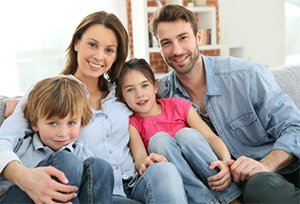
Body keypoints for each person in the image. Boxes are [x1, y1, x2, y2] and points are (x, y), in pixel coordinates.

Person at [0, 11, 187, 204]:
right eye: (92, 45)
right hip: (95, 189)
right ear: (76, 43)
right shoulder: (49, 93)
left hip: (135, 182)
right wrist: (24, 177)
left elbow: (158, 102)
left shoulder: (124, 93)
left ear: (116, 56)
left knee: (164, 170)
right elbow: (3, 140)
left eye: (109, 50)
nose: (99, 56)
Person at [149, 4, 300, 203]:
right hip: (245, 188)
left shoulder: (245, 75)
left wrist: (265, 166)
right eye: (166, 42)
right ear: (159, 47)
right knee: (257, 187)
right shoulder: (162, 95)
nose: (177, 50)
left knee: (259, 184)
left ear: (198, 37)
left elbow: (294, 127)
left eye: (183, 38)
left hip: (285, 168)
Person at [116, 58, 241, 204]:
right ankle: (205, 201)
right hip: (178, 181)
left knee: (186, 134)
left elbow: (210, 137)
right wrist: (145, 162)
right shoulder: (133, 123)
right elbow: (140, 157)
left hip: (201, 164)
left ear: (155, 87)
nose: (139, 94)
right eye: (130, 89)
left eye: (144, 85)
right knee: (160, 140)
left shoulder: (178, 105)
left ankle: (231, 198)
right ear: (123, 97)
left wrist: (226, 161)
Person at [0, 75, 114, 203]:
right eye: (53, 123)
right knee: (67, 159)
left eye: (71, 123)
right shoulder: (21, 147)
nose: (63, 133)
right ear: (34, 124)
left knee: (101, 166)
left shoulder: (81, 151)